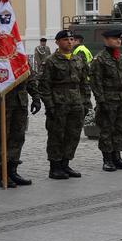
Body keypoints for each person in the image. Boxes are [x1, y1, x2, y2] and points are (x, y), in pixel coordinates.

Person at [39, 30, 92, 179]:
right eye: (65, 39)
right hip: (58, 104)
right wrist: (49, 106)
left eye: (71, 39)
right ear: (57, 42)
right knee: (57, 135)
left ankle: (65, 164)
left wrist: (86, 102)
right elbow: (44, 86)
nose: (69, 42)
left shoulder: (78, 60)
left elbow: (84, 83)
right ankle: (54, 167)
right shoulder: (50, 61)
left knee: (73, 134)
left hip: (76, 104)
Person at [89, 29, 122, 171]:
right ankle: (107, 159)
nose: (118, 41)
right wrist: (101, 101)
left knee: (120, 129)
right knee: (107, 130)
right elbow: (96, 82)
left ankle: (117, 157)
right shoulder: (100, 60)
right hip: (108, 99)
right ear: (106, 40)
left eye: (119, 39)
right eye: (115, 38)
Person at [0, 73, 41, 188]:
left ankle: (12, 171)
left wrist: (36, 97)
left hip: (19, 102)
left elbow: (30, 77)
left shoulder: (20, 56)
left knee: (17, 137)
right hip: (0, 101)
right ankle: (1, 174)